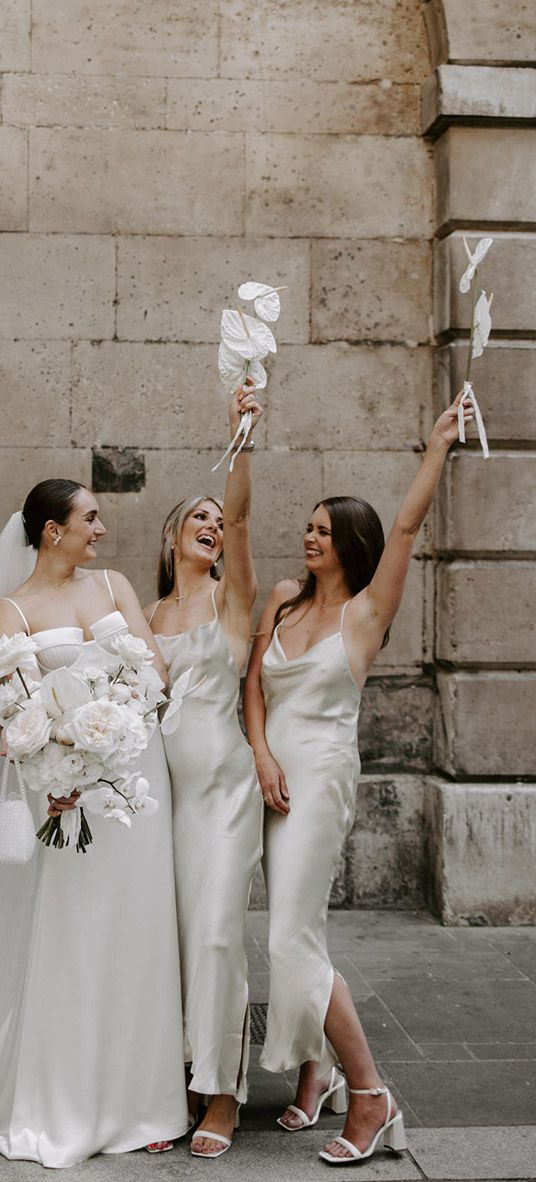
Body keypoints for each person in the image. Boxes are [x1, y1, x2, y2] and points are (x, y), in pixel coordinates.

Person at [244, 393, 473, 1165]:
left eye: (323, 530)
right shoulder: (280, 599)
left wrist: (438, 443)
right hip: (271, 777)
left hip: (322, 777)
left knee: (288, 939)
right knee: (295, 932)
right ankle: (319, 1071)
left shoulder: (368, 614)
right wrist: (261, 755)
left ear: (351, 543)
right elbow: (252, 684)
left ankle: (371, 1094)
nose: (309, 537)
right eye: (307, 526)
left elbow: (407, 526)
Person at [0, 480, 189, 1168]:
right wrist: (54, 764)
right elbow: (12, 717)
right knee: (75, 938)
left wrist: (114, 728)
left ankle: (147, 1101)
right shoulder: (12, 610)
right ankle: (65, 1099)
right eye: (90, 517)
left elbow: (155, 673)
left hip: (138, 783)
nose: (102, 528)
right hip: (69, 797)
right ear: (52, 530)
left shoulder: (112, 585)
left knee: (137, 936)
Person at [145, 383, 264, 1160]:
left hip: (225, 789)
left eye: (217, 523)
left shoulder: (234, 600)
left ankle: (222, 1093)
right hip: (165, 801)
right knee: (173, 942)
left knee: (218, 934)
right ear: (171, 536)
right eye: (200, 519)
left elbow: (247, 517)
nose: (214, 528)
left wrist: (242, 437)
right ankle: (179, 1079)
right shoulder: (148, 619)